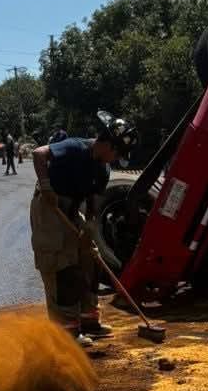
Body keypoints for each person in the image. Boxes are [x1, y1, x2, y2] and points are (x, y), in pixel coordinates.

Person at [30, 116, 135, 344]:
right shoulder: (75, 147)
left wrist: (89, 226)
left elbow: (94, 200)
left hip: (74, 207)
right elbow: (39, 153)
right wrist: (46, 186)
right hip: (50, 205)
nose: (116, 159)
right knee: (62, 264)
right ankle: (66, 330)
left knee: (90, 259)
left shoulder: (103, 169)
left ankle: (89, 321)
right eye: (117, 153)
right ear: (108, 144)